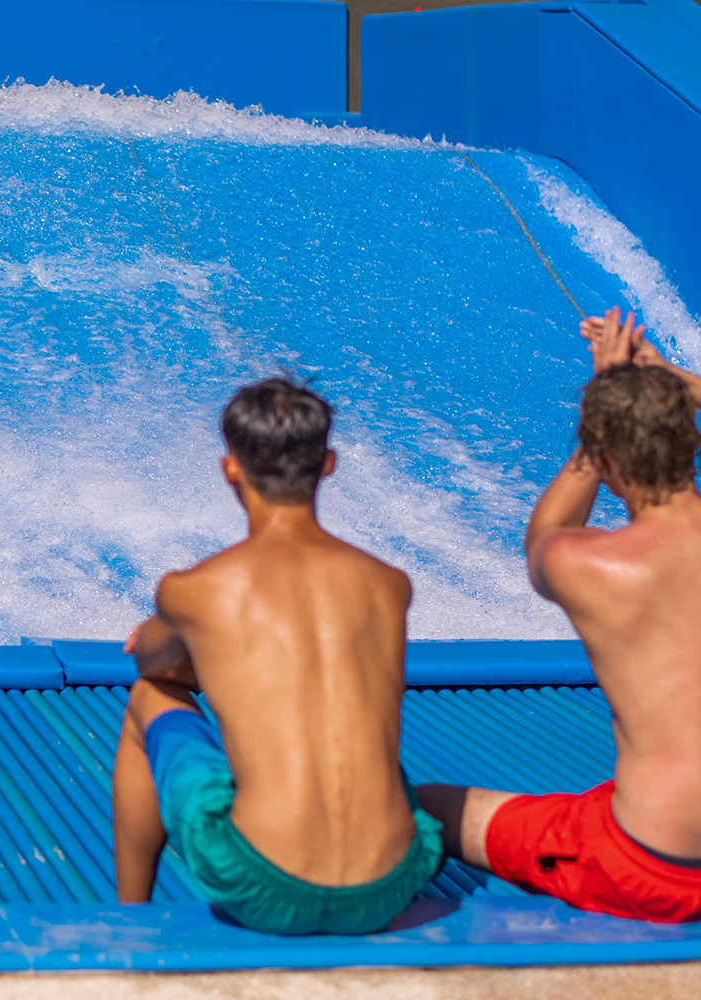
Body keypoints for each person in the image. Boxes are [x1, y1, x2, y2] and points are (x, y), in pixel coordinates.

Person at [113, 378, 443, 934]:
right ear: (329, 463)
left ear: (231, 469)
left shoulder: (197, 590)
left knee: (150, 699)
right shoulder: (389, 585)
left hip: (263, 883)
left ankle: (131, 920)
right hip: (393, 881)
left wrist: (186, 643)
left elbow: (154, 663)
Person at [417, 307, 701, 922]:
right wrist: (668, 382)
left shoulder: (592, 565)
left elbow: (543, 532)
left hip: (653, 865)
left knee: (429, 804)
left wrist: (606, 408)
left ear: (607, 457)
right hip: (653, 833)